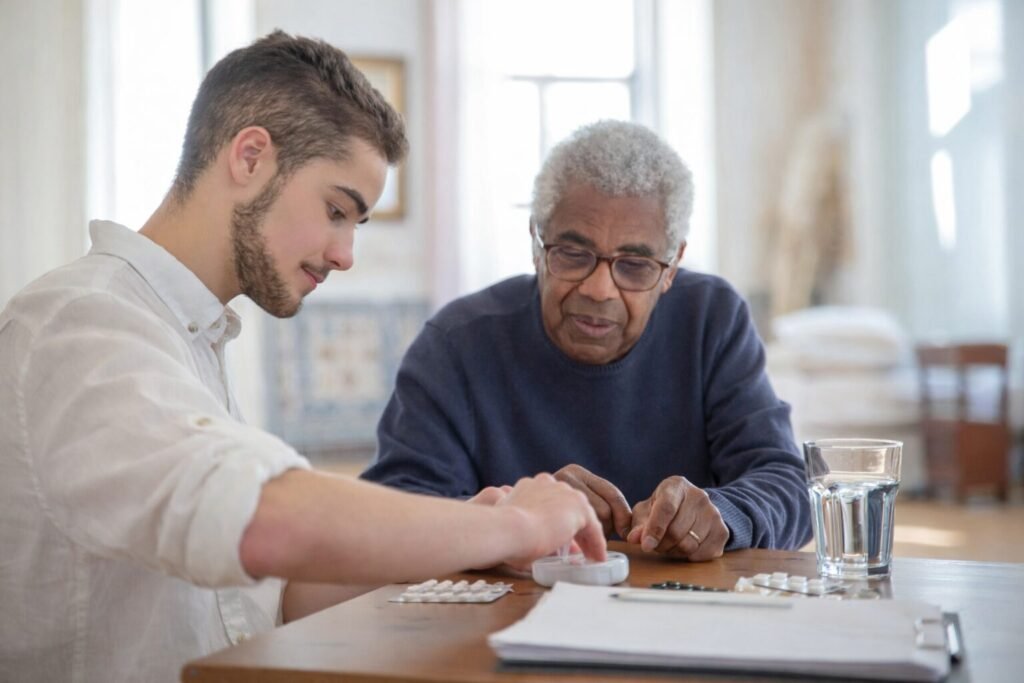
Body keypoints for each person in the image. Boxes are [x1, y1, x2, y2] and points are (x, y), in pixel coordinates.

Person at [0, 31, 604, 683]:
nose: (346, 254)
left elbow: (273, 591)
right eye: (336, 209)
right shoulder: (81, 321)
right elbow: (265, 521)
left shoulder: (187, 334)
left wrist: (462, 531)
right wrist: (513, 527)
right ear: (251, 156)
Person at [363, 120, 812, 560]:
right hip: (504, 622)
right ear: (537, 245)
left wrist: (725, 512)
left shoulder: (710, 319)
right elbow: (395, 517)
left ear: (672, 266)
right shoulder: (456, 345)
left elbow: (787, 483)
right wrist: (514, 519)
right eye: (574, 255)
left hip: (683, 614)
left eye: (635, 265)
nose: (600, 289)